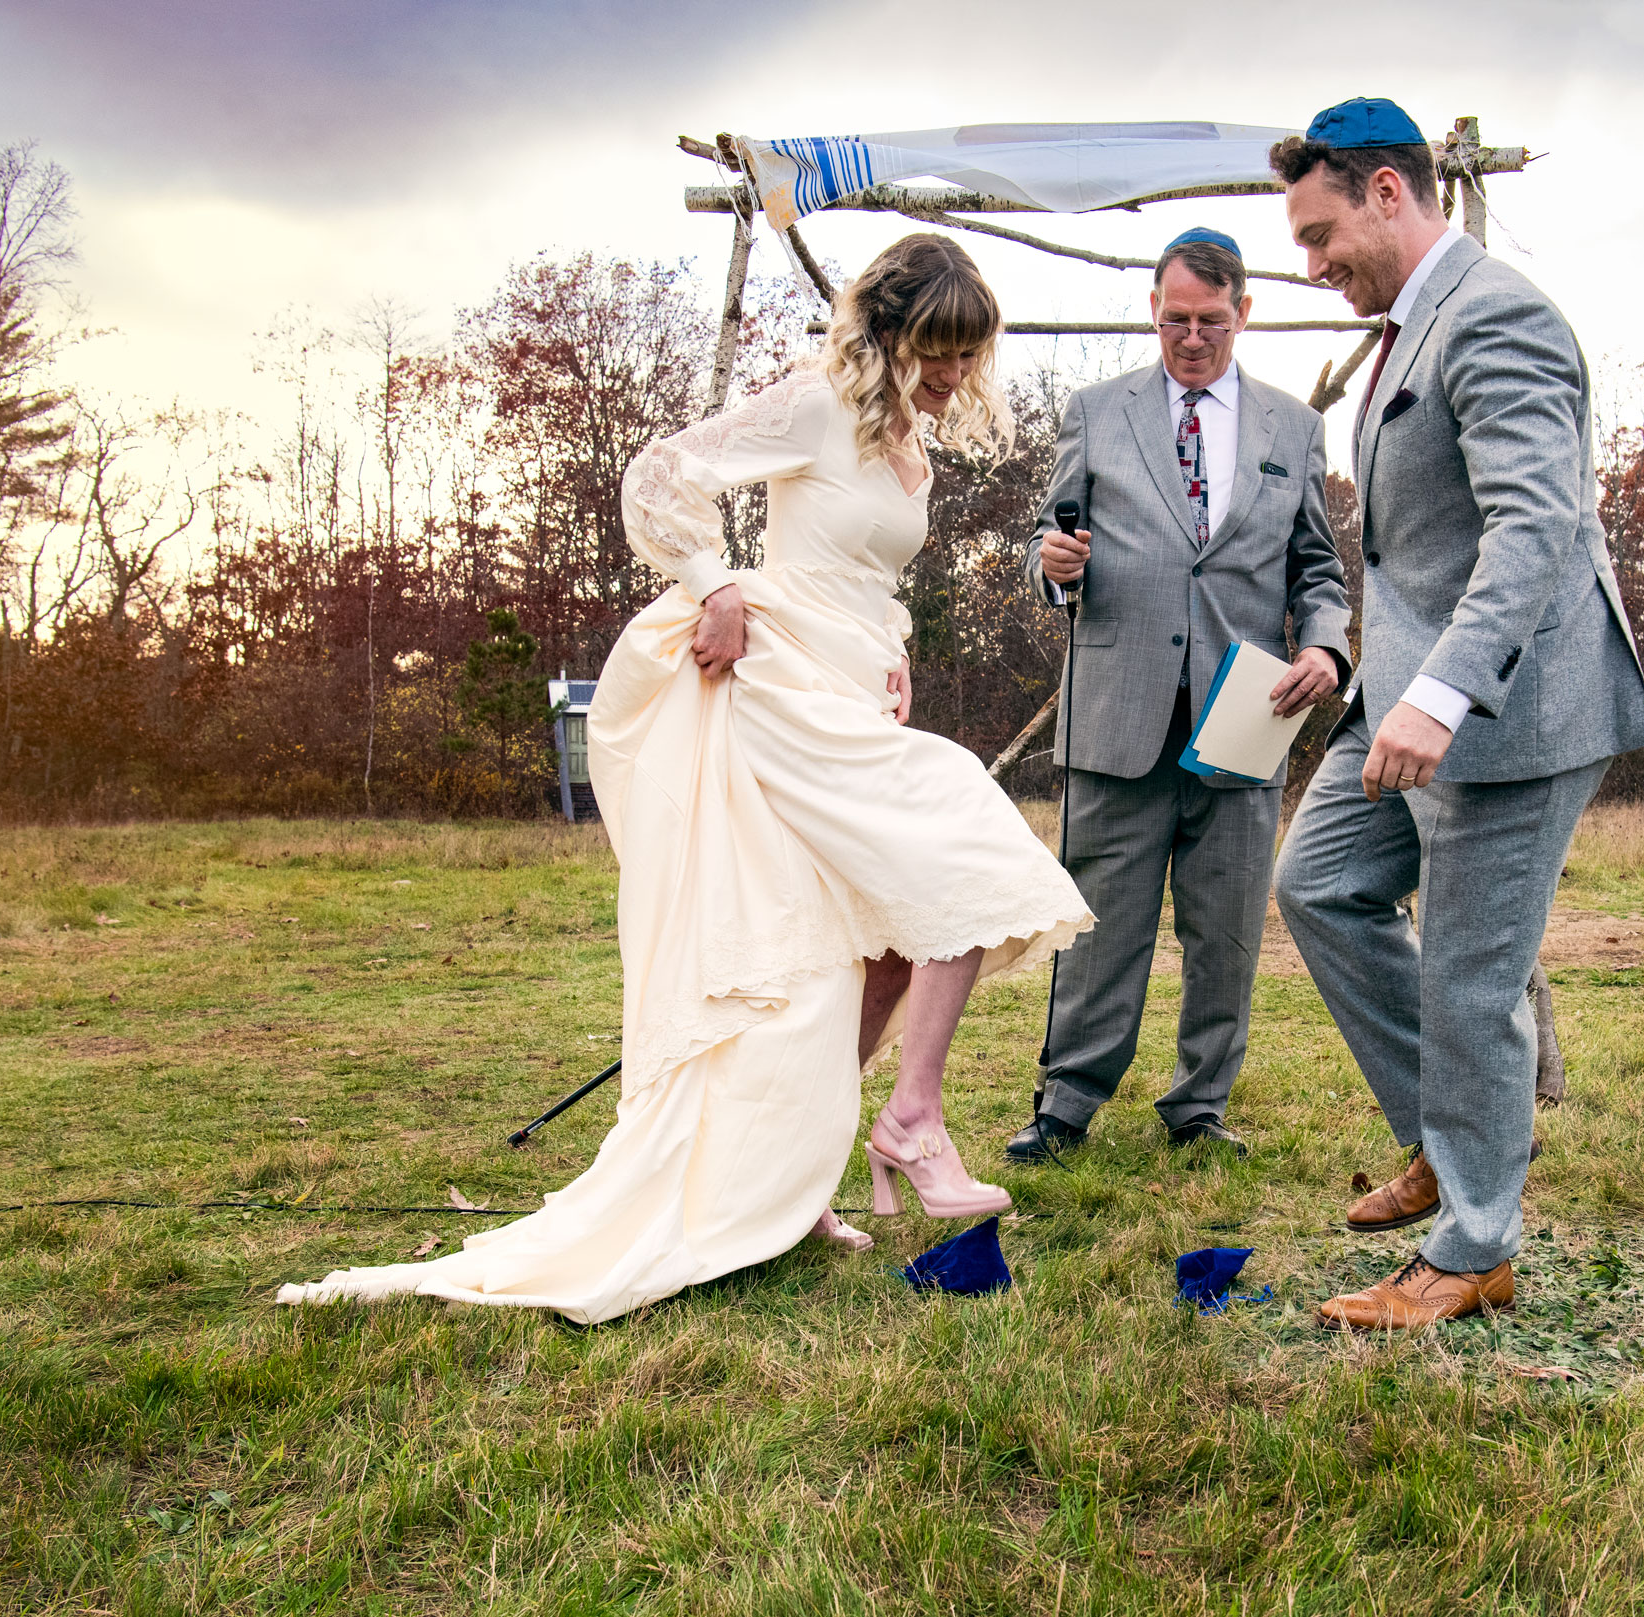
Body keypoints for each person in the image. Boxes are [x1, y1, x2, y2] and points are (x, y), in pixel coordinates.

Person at [279, 235, 1092, 1325]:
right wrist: (716, 587)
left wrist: (891, 652)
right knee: (966, 845)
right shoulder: (816, 404)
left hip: (851, 685)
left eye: (965, 355)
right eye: (933, 352)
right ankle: (911, 1119)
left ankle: (793, 1181)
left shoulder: (907, 439)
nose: (950, 375)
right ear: (887, 334)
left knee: (868, 945)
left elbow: (860, 572)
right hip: (780, 686)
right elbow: (659, 472)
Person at [1268, 100, 1644, 1330]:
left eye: (1320, 234)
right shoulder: (1407, 328)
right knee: (1319, 884)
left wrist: (1438, 693)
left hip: (1510, 706)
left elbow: (1534, 525)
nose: (1310, 264)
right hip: (1403, 696)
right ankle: (1449, 1142)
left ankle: (1475, 1248)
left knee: (1472, 979)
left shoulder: (1494, 314)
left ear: (1389, 192)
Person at [1005, 226, 1352, 1164]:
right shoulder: (1094, 412)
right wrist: (1052, 567)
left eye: (1210, 321)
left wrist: (1326, 647)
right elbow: (1045, 542)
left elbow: (1317, 569)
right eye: (1174, 320)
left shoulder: (1293, 427)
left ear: (1245, 313)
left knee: (1226, 928)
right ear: (1152, 311)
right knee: (1098, 925)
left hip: (1245, 717)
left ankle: (1200, 1107)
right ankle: (1065, 1104)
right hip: (1116, 710)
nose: (1191, 338)